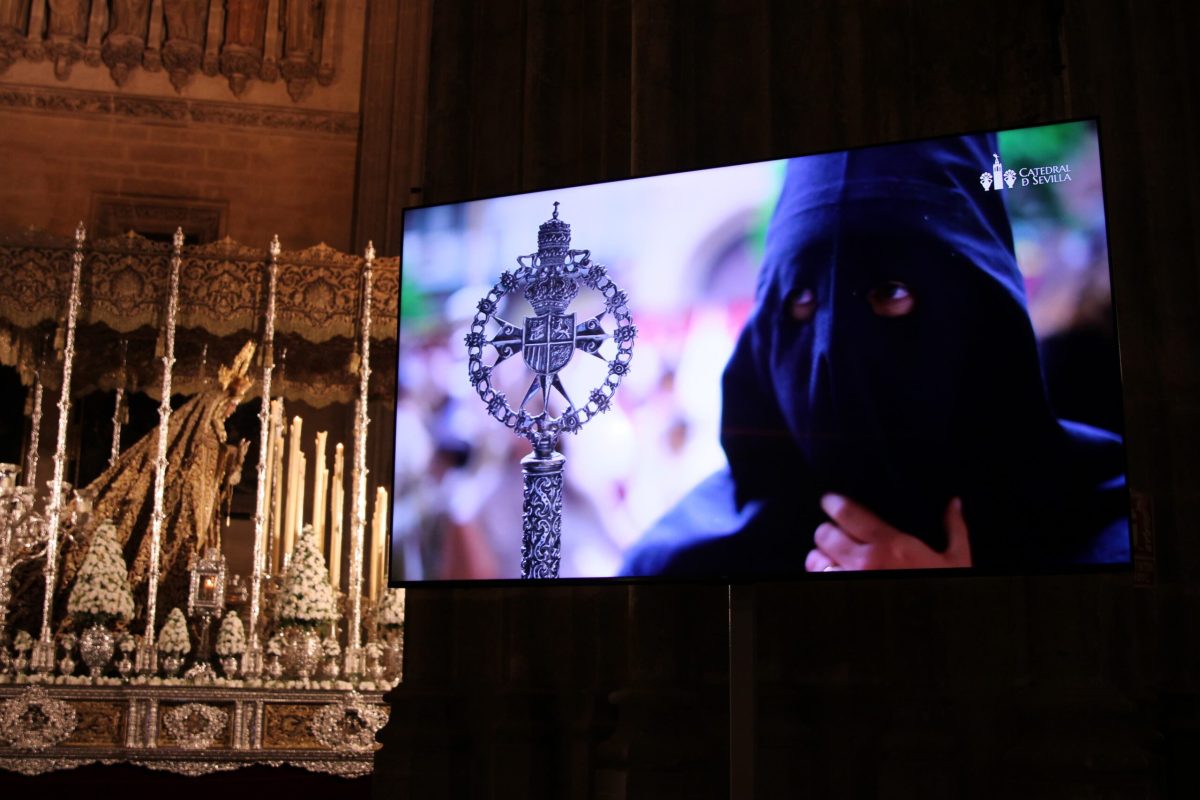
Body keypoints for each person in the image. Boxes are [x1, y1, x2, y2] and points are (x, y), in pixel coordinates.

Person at [621, 133, 1130, 577]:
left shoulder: (1121, 539)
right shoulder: (679, 567)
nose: (833, 356)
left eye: (890, 292)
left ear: (979, 312)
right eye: (801, 301)